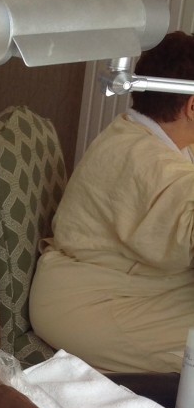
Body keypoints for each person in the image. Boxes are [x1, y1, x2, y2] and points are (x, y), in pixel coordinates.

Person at [29, 30, 194, 375]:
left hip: (126, 284)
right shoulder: (146, 160)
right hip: (91, 306)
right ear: (191, 106)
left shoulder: (141, 134)